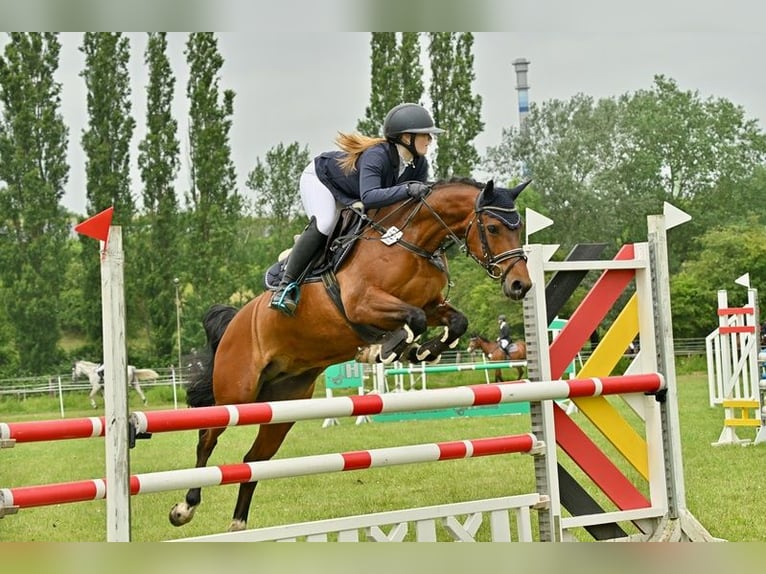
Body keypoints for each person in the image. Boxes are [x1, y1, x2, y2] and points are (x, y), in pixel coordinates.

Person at [270, 102, 445, 316]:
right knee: (325, 223)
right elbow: (370, 197)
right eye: (425, 135)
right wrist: (409, 189)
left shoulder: (419, 164)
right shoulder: (377, 156)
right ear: (406, 137)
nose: (430, 140)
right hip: (321, 180)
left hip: (355, 194)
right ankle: (285, 287)